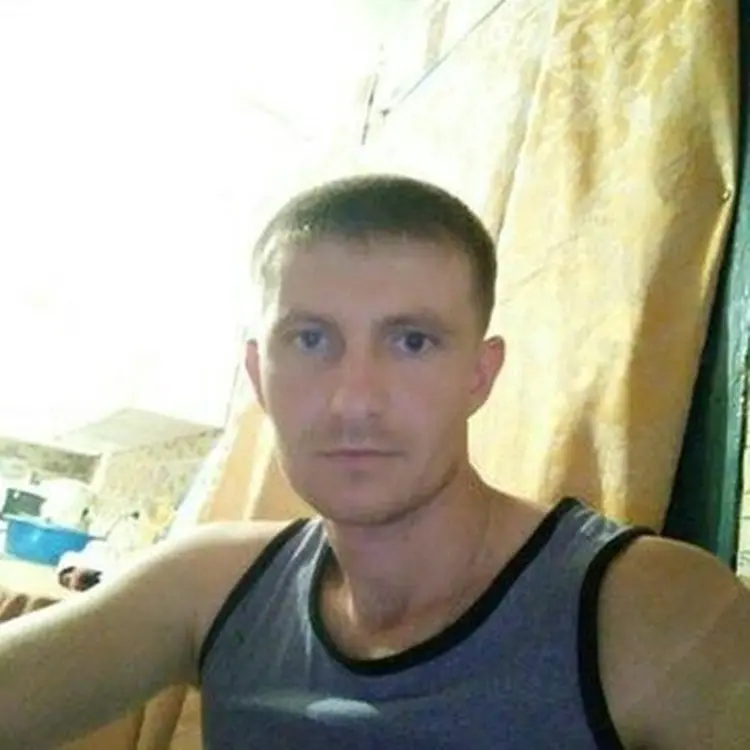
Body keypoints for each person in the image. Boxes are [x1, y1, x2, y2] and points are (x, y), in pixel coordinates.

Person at [1, 175, 748, 749]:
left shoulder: (659, 617)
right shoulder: (210, 586)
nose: (354, 400)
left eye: (412, 341)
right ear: (259, 375)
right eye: (311, 340)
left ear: (479, 376)